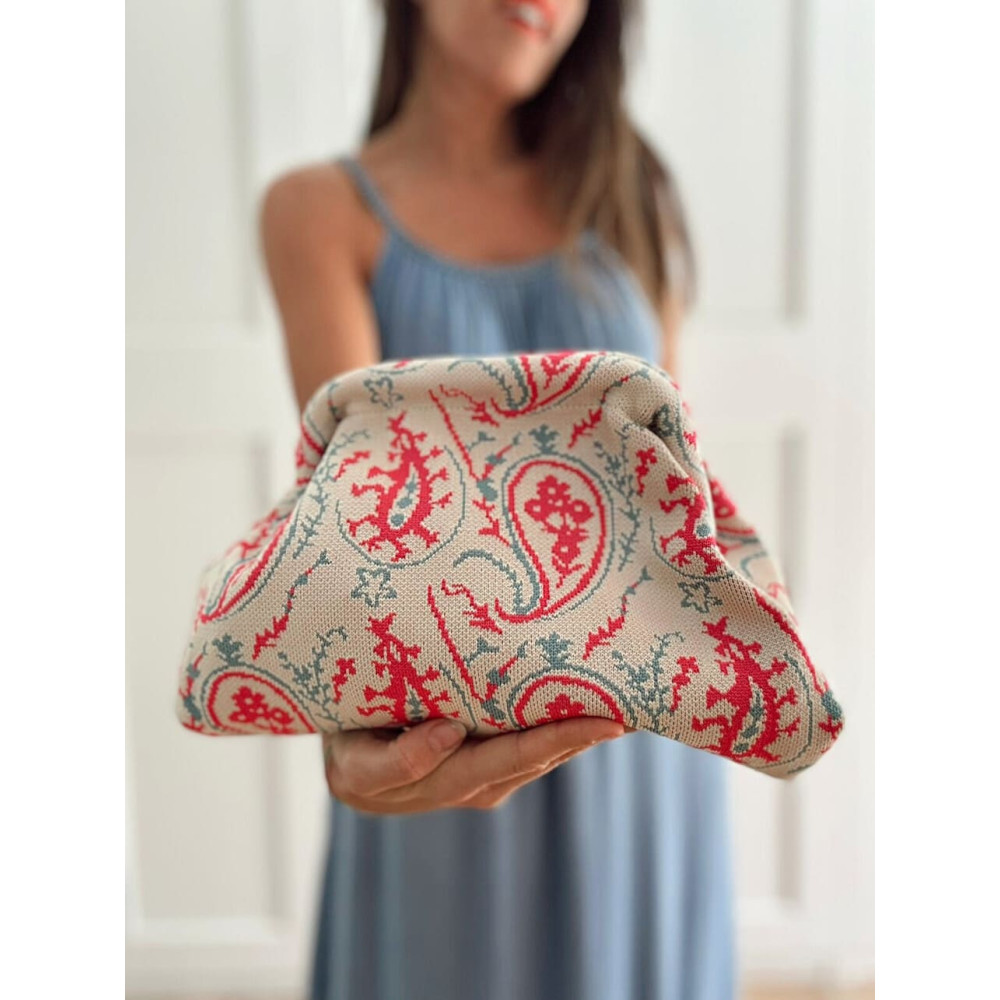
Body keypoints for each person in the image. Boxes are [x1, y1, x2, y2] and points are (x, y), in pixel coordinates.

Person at [260, 1, 735, 997]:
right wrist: (352, 733)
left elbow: (676, 491)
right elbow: (354, 541)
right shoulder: (319, 212)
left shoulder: (630, 192)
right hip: (444, 747)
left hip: (636, 747)